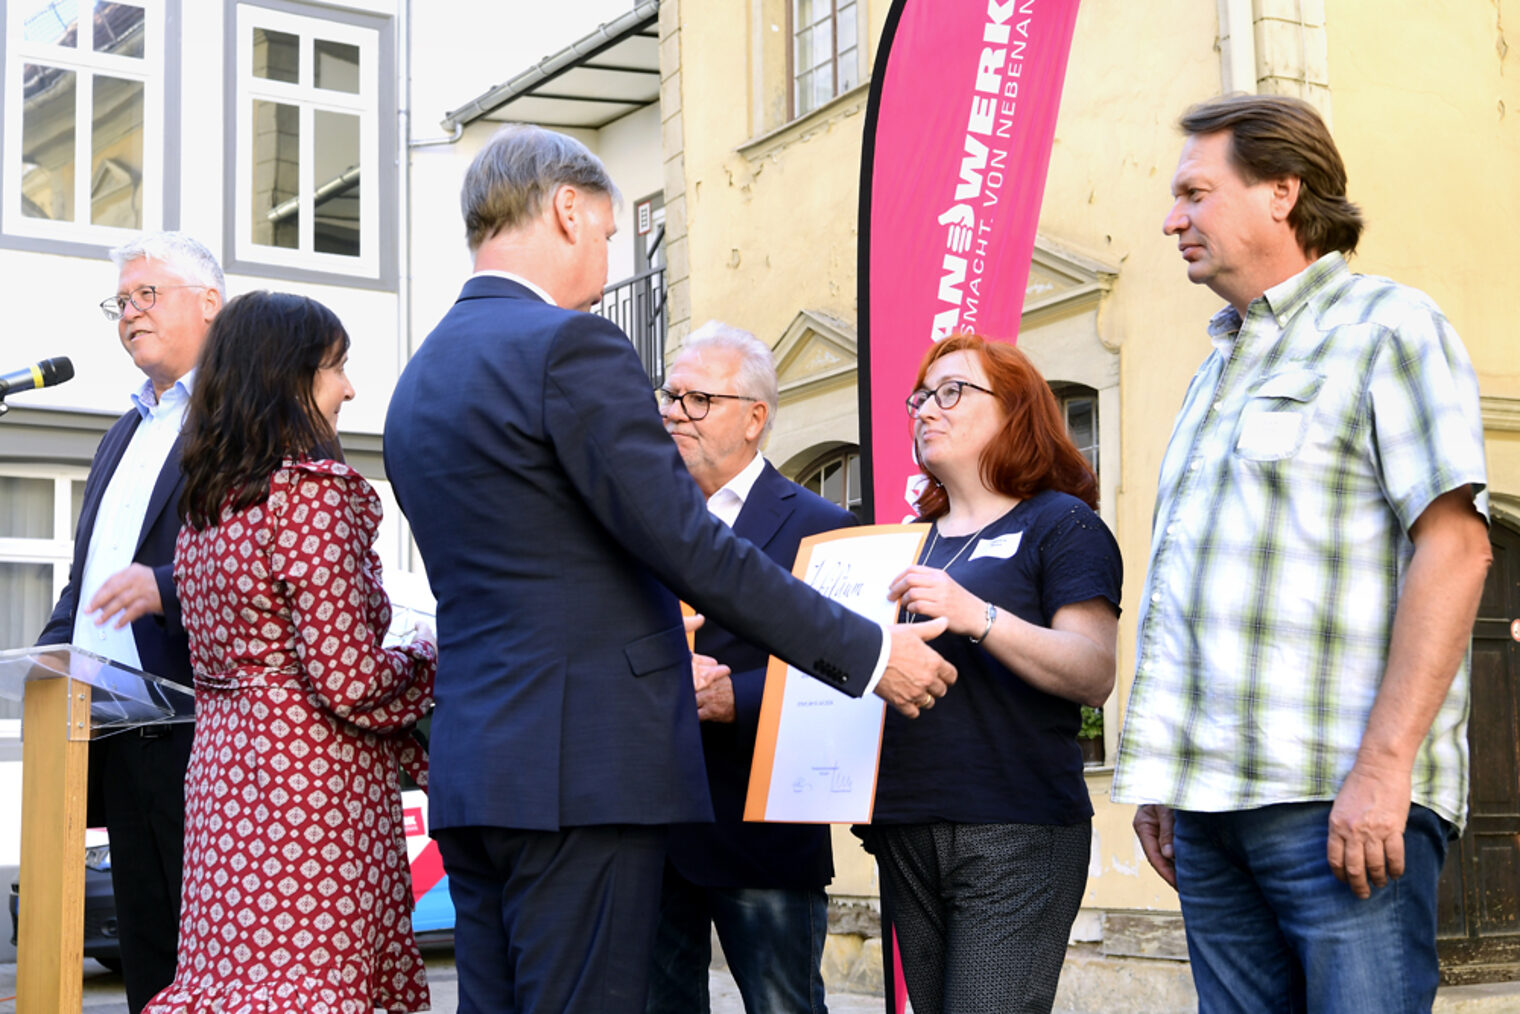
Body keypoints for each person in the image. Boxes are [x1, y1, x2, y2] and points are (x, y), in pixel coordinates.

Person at [382, 124, 957, 1014]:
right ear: (567, 209)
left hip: (477, 766)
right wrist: (871, 654)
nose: (610, 264)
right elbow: (690, 544)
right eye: (611, 234)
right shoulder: (569, 347)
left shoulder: (420, 377)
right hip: (585, 769)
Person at [1111, 94, 1492, 1013]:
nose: (1172, 219)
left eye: (1195, 193)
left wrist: (1384, 768)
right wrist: (1168, 780)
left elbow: (1457, 548)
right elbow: (1199, 586)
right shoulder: (1216, 367)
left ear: (1282, 192)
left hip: (1336, 802)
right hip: (1210, 811)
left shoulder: (1388, 327)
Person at [143, 292, 437, 1013]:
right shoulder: (310, 496)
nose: (349, 388)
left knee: (234, 986)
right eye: (336, 368)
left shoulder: (207, 508)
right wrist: (435, 655)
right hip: (311, 796)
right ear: (289, 378)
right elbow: (351, 679)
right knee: (313, 986)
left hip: (223, 788)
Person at [857, 333, 1121, 1014]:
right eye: (920, 397)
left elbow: (1093, 672)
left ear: (1015, 411)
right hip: (906, 825)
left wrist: (979, 615)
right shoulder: (905, 541)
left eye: (952, 392)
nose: (926, 410)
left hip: (1015, 826)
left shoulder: (1060, 525)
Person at [36, 232, 223, 1013]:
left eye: (149, 295)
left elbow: (274, 558)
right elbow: (91, 580)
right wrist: (48, 656)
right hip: (115, 738)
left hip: (201, 735)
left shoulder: (245, 414)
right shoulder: (124, 431)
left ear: (211, 305)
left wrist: (169, 588)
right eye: (123, 302)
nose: (130, 314)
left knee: (208, 961)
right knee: (148, 961)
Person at [646, 322, 854, 1014]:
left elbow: (851, 669)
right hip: (650, 832)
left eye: (697, 399)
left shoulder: (825, 527)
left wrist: (736, 697)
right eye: (670, 396)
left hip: (763, 829)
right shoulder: (636, 522)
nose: (674, 411)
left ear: (754, 418)